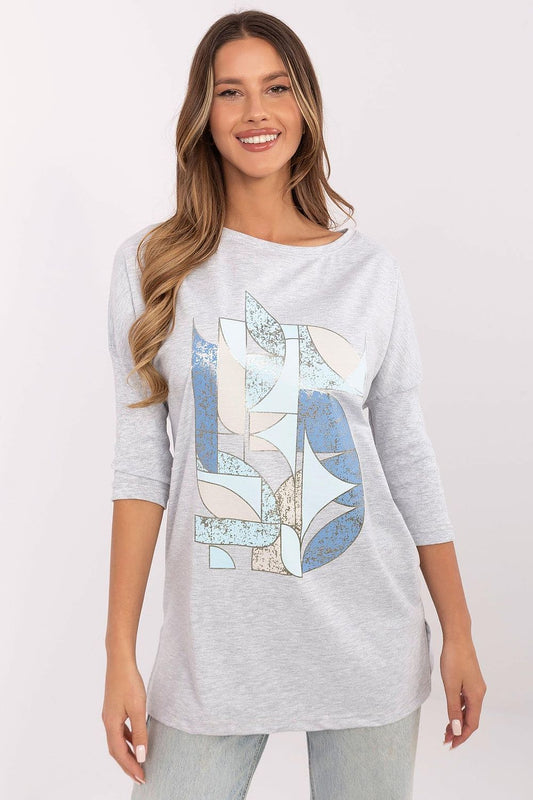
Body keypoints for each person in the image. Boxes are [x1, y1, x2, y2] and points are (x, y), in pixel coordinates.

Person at [101, 10, 487, 799]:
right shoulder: (153, 265)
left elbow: (406, 455)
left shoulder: (366, 271)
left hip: (366, 638)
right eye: (229, 92)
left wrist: (459, 631)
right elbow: (142, 465)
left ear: (304, 105)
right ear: (202, 114)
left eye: (275, 88)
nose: (255, 112)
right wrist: (119, 655)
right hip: (212, 652)